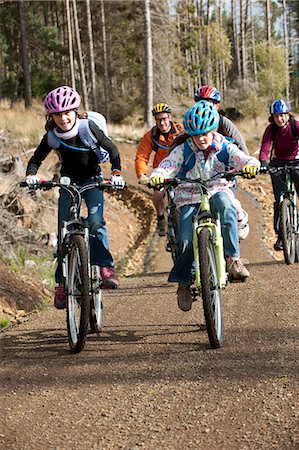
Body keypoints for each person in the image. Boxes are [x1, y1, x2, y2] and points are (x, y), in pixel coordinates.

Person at [149, 100, 260, 312]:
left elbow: (242, 158)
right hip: (190, 195)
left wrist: (251, 166)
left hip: (218, 189)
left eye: (205, 133)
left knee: (227, 208)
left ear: (213, 130)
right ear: (190, 134)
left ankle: (233, 259)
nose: (201, 138)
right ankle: (184, 282)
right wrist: (158, 176)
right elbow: (168, 165)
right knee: (184, 240)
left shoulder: (224, 145)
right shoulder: (183, 149)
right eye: (196, 134)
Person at [25, 85, 125, 309]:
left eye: (67, 112)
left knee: (96, 222)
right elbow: (36, 159)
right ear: (51, 116)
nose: (63, 118)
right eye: (57, 114)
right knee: (63, 232)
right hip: (67, 183)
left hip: (93, 180)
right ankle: (62, 283)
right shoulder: (51, 136)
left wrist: (116, 173)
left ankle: (105, 266)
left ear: (75, 111)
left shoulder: (87, 127)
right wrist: (31, 174)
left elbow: (112, 148)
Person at [194, 85, 250, 239]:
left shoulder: (224, 123)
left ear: (217, 105)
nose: (205, 105)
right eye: (201, 102)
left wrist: (246, 166)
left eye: (210, 102)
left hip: (226, 172)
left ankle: (239, 220)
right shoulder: (195, 122)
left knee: (228, 205)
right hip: (202, 173)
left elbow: (240, 144)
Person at [135, 103, 183, 236]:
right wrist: (142, 175)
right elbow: (142, 156)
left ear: (170, 117)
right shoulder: (151, 136)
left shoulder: (181, 131)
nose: (162, 123)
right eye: (158, 120)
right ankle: (161, 218)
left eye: (164, 119)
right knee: (157, 196)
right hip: (162, 171)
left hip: (181, 169)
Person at [259, 99, 299, 251]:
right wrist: (263, 162)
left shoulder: (295, 126)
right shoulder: (271, 129)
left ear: (288, 115)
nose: (279, 119)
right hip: (278, 162)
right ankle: (281, 236)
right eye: (276, 116)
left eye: (282, 115)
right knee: (279, 199)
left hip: (296, 160)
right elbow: (265, 146)